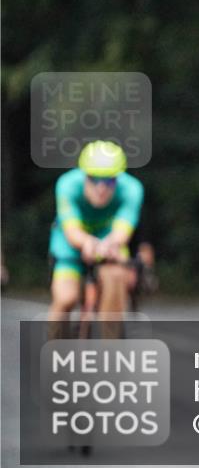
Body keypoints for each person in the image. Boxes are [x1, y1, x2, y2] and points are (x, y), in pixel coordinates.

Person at [47, 140, 144, 339]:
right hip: (69, 242)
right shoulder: (67, 185)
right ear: (84, 175)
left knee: (116, 276)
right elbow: (72, 232)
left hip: (110, 240)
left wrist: (108, 246)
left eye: (109, 181)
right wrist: (87, 244)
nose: (101, 188)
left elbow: (122, 233)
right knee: (66, 297)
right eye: (93, 179)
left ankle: (111, 345)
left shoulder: (132, 189)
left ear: (118, 178)